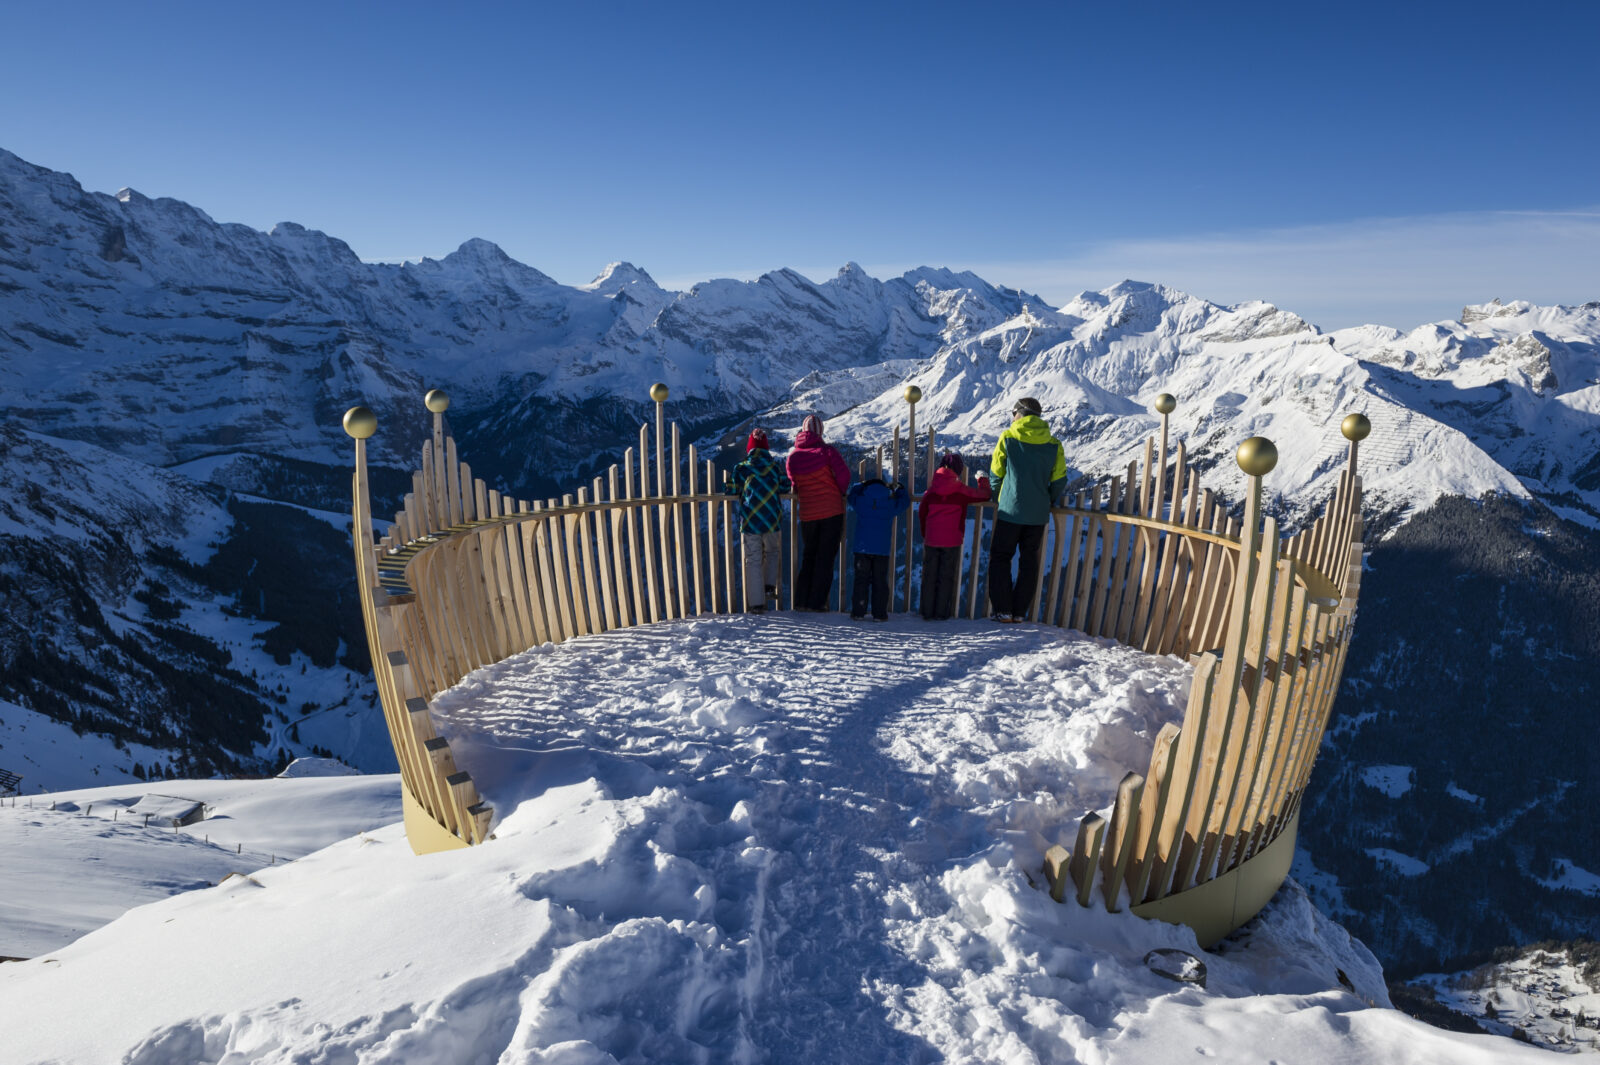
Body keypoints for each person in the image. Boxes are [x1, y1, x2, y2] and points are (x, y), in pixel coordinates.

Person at [986, 397, 1066, 622]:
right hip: (1037, 514)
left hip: (1010, 510)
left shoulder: (1008, 437)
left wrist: (1000, 497)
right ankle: (1019, 612)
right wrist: (1045, 499)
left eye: (1013, 413)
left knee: (1001, 557)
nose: (1012, 418)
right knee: (1029, 559)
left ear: (1020, 413)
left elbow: (995, 473)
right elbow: (1059, 479)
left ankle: (1003, 610)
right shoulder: (1053, 444)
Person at [786, 413, 851, 610]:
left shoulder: (793, 457)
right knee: (825, 558)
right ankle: (817, 603)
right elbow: (844, 477)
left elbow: (794, 484)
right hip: (831, 511)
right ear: (820, 431)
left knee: (809, 556)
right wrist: (838, 492)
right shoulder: (827, 452)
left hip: (808, 514)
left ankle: (800, 601)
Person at [723, 428, 789, 612]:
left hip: (751, 521)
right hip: (772, 520)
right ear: (766, 448)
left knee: (753, 560)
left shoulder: (742, 468)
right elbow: (785, 486)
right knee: (773, 551)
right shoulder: (774, 467)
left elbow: (731, 490)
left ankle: (756, 604)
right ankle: (769, 587)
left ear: (750, 448)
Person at [917, 452, 991, 620]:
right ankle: (941, 614)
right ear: (958, 469)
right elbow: (984, 495)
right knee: (946, 577)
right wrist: (982, 480)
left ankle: (927, 613)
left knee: (929, 577)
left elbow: (922, 514)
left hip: (931, 539)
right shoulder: (960, 490)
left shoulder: (931, 491)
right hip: (952, 541)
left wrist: (925, 534)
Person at [846, 476, 909, 621]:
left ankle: (858, 612)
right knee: (879, 581)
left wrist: (860, 485)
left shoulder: (861, 501)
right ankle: (879, 614)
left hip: (861, 549)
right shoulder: (889, 503)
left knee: (861, 580)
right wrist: (900, 490)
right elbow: (904, 502)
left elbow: (851, 496)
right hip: (881, 550)